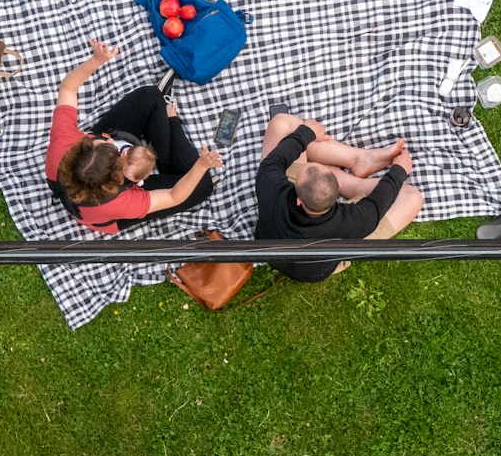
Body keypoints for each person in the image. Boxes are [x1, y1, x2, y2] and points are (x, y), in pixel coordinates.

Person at [44, 40, 223, 233]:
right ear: (119, 176)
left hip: (98, 180)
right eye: (114, 147)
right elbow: (173, 196)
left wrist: (96, 61)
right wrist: (201, 165)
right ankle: (172, 128)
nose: (110, 140)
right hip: (111, 213)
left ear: (79, 147)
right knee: (202, 185)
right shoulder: (120, 202)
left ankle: (167, 159)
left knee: (149, 96)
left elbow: (68, 88)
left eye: (103, 142)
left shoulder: (63, 142)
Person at [253, 110, 422, 281]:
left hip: (272, 246)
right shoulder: (354, 221)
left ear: (298, 197)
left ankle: (360, 160)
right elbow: (376, 205)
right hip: (320, 265)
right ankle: (356, 178)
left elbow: (274, 161)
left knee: (284, 124)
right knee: (411, 197)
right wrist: (399, 171)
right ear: (337, 190)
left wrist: (307, 132)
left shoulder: (271, 187)